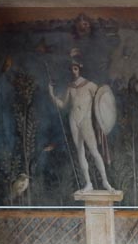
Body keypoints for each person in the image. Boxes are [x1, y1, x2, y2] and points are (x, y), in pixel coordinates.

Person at [48, 56, 113, 191]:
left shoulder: (90, 85)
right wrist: (51, 93)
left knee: (94, 151)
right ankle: (88, 183)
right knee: (80, 151)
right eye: (72, 68)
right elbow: (63, 104)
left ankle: (105, 182)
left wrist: (102, 117)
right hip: (74, 120)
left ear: (80, 69)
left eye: (76, 68)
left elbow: (101, 99)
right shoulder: (70, 87)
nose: (74, 71)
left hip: (86, 119)